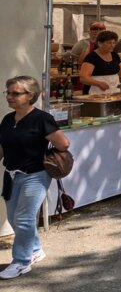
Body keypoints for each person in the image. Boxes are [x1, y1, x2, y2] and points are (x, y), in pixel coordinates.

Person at [0, 76, 71, 279]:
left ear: (30, 95)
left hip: (35, 175)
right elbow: (2, 146)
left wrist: (43, 151)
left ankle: (22, 262)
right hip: (12, 175)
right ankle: (35, 249)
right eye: (8, 92)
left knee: (23, 218)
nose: (10, 97)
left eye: (15, 93)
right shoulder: (8, 119)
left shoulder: (41, 118)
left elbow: (63, 144)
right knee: (15, 218)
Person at [78, 30, 121, 94]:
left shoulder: (115, 55)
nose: (112, 45)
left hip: (114, 93)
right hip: (95, 94)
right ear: (100, 43)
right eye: (109, 43)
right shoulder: (92, 57)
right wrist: (99, 84)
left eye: (114, 43)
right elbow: (83, 78)